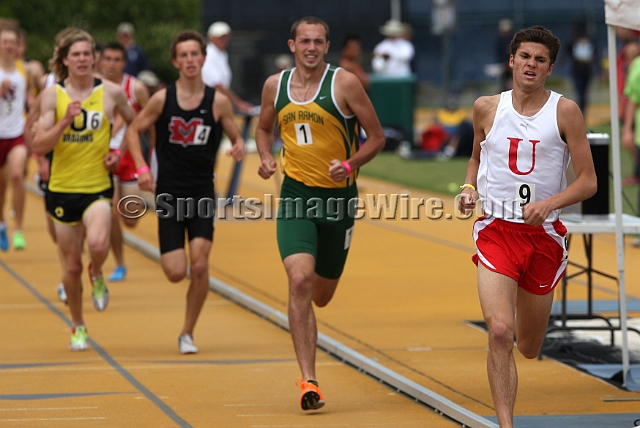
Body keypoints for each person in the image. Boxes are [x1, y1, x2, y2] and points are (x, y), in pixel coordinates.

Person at [458, 26, 597, 428]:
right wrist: (469, 188)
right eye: (525, 57)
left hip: (543, 237)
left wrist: (550, 204)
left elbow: (588, 181)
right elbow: (474, 158)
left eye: (540, 59)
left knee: (529, 346)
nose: (531, 64)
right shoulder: (486, 106)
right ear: (511, 61)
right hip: (497, 230)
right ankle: (505, 424)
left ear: (550, 68)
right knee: (500, 331)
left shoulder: (565, 111)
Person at [254, 16, 385, 411]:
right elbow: (263, 129)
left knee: (321, 297)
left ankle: (308, 331)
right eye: (304, 41)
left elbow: (377, 138)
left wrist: (349, 164)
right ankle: (308, 380)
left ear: (327, 47)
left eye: (318, 41)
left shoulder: (344, 83)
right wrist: (264, 156)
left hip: (338, 200)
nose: (311, 47)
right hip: (295, 195)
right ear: (292, 45)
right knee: (299, 280)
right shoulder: (274, 86)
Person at [124, 29, 245, 355]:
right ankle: (186, 318)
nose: (191, 60)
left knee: (201, 266)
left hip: (203, 192)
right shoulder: (163, 99)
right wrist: (142, 169)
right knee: (176, 272)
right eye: (184, 55)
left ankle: (187, 332)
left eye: (196, 54)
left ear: (203, 59)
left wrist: (237, 147)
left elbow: (236, 137)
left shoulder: (217, 101)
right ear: (175, 61)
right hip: (171, 194)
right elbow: (134, 131)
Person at [32, 28, 136, 351]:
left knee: (98, 241)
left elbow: (135, 121)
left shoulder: (112, 93)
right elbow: (38, 142)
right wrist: (64, 123)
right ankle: (78, 325)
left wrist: (118, 150)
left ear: (94, 58)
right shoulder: (53, 96)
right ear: (64, 59)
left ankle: (99, 272)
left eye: (87, 54)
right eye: (75, 54)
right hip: (62, 189)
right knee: (70, 267)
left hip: (97, 187)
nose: (82, 59)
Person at [100, 42, 151, 282]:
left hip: (129, 155)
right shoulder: (94, 88)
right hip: (101, 157)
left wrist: (152, 162)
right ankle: (120, 264)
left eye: (116, 59)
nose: (111, 64)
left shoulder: (136, 88)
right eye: (107, 59)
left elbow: (150, 123)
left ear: (124, 62)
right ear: (100, 61)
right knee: (109, 214)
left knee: (130, 219)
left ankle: (119, 213)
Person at [0, 22, 32, 251]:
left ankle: (18, 228)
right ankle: (1, 223)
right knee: (0, 188)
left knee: (17, 175)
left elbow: (34, 93)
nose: (9, 45)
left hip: (17, 133)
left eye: (13, 41)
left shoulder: (26, 69)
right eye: (5, 41)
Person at [201, 21, 254, 114]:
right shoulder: (208, 54)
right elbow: (217, 84)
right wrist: (238, 103)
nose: (223, 40)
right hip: (209, 105)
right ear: (211, 38)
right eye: (219, 37)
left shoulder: (221, 54)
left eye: (225, 37)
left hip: (217, 103)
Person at [566, 22, 597, 116]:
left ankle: (581, 111)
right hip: (582, 71)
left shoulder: (576, 41)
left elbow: (594, 55)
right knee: (581, 94)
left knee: (581, 93)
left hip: (581, 71)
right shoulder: (586, 41)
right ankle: (581, 111)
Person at [495, 18, 514, 92]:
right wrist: (505, 64)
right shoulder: (499, 41)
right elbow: (499, 54)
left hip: (513, 65)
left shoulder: (513, 39)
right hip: (504, 66)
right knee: (504, 84)